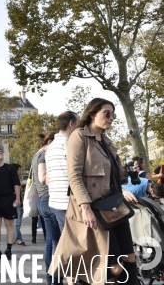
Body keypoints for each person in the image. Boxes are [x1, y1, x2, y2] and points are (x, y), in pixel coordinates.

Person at [52, 98, 137, 285]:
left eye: (113, 114)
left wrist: (127, 180)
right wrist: (86, 207)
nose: (111, 117)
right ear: (92, 114)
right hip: (95, 210)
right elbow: (74, 175)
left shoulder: (107, 141)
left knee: (130, 258)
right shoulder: (79, 136)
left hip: (114, 207)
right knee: (113, 267)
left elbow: (112, 177)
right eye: (107, 113)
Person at [32, 131, 62, 285]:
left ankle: (51, 279)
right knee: (57, 243)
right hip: (49, 200)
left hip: (44, 201)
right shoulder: (44, 156)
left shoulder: (36, 155)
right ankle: (55, 279)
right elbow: (43, 178)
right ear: (50, 142)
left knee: (51, 242)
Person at [45, 111, 79, 231]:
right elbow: (75, 173)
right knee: (74, 243)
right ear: (71, 124)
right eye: (78, 123)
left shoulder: (50, 147)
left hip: (55, 201)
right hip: (69, 202)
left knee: (64, 240)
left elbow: (47, 178)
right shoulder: (69, 145)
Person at [0, 148, 20, 260]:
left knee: (9, 225)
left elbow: (17, 184)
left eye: (1, 151)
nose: (0, 153)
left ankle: (9, 249)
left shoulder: (10, 168)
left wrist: (17, 198)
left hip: (9, 199)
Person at [12, 163, 25, 246]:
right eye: (19, 170)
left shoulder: (16, 179)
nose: (20, 171)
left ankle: (14, 238)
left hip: (19, 203)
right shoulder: (12, 180)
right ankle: (18, 238)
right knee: (17, 222)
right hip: (15, 203)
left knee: (17, 222)